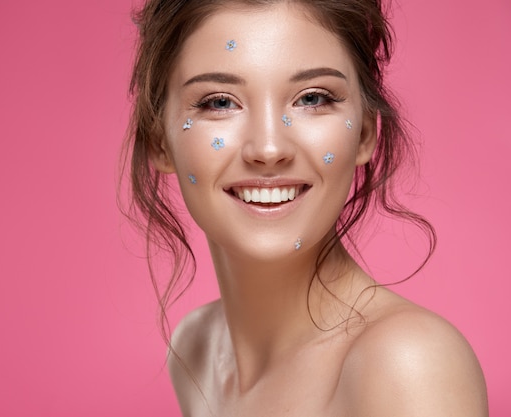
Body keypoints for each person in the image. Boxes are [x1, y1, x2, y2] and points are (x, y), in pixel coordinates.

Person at [121, 0, 488, 415]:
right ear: (158, 140)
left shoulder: (409, 365)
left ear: (366, 132)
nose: (269, 148)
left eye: (311, 98)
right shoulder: (196, 350)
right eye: (220, 102)